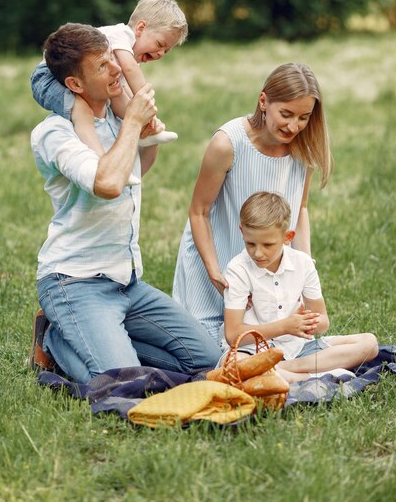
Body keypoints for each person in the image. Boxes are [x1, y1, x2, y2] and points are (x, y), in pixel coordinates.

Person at [29, 23, 221, 383]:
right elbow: (108, 184)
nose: (118, 67)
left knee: (208, 362)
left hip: (127, 282)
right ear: (74, 85)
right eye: (103, 66)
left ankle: (102, 338)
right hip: (75, 282)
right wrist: (133, 122)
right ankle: (55, 340)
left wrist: (144, 136)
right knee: (125, 384)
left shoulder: (116, 120)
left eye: (112, 58)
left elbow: (137, 171)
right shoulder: (54, 134)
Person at [173, 62, 332, 342]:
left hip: (267, 263)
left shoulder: (303, 149)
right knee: (209, 351)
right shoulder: (228, 144)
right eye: (286, 114)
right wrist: (215, 273)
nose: (294, 126)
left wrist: (304, 263)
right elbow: (199, 212)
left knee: (271, 342)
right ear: (263, 101)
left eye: (304, 117)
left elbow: (301, 208)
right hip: (217, 259)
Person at [221, 191, 379, 382]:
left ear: (288, 237)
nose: (258, 252)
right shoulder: (237, 269)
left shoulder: (302, 263)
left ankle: (283, 370)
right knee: (234, 364)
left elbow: (323, 322)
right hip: (252, 350)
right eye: (250, 243)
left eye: (268, 244)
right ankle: (314, 376)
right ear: (242, 232)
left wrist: (305, 324)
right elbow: (232, 334)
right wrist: (285, 326)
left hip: (298, 349)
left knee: (370, 343)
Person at [31, 0, 188, 185]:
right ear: (140, 28)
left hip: (70, 73)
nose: (161, 53)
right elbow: (130, 72)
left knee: (121, 95)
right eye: (160, 44)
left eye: (167, 50)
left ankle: (146, 133)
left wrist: (146, 119)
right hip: (48, 76)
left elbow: (124, 93)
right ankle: (100, 164)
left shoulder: (126, 55)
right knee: (81, 110)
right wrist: (145, 98)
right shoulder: (121, 36)